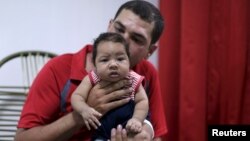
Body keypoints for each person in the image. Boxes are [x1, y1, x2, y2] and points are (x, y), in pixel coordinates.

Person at [14, 0, 167, 141]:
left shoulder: (145, 73)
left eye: (137, 39)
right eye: (119, 29)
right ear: (109, 26)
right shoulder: (58, 68)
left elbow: (155, 134)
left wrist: (145, 134)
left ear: (150, 51)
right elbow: (22, 139)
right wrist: (81, 115)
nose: (122, 40)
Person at [71, 32, 149, 140]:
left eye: (120, 59)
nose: (113, 64)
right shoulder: (93, 77)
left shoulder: (133, 78)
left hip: (128, 131)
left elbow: (142, 101)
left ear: (129, 61)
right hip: (100, 132)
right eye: (104, 60)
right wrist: (84, 110)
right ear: (95, 64)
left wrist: (137, 119)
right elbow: (77, 96)